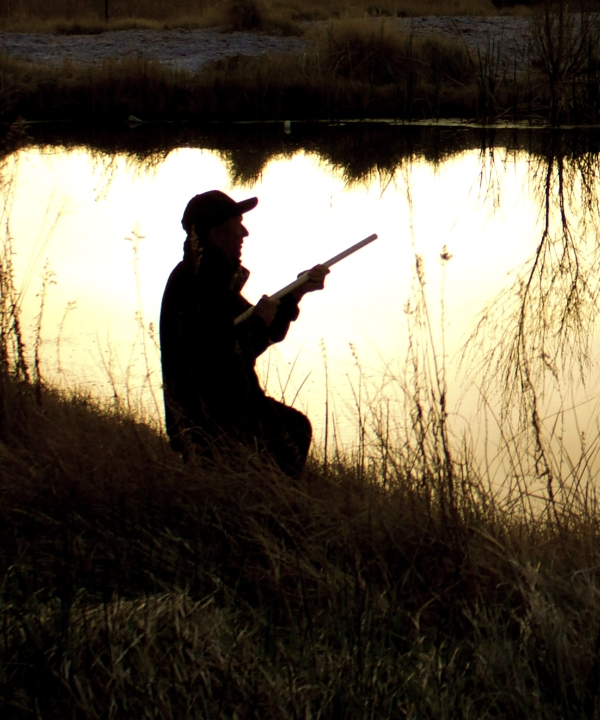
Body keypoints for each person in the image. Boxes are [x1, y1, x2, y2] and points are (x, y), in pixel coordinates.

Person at [159, 190, 328, 477]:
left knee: (291, 430)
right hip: (216, 416)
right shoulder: (200, 284)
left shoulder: (206, 278)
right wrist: (259, 323)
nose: (245, 232)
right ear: (216, 236)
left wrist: (294, 294)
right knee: (292, 432)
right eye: (237, 225)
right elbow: (222, 356)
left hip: (217, 412)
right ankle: (271, 510)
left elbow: (262, 332)